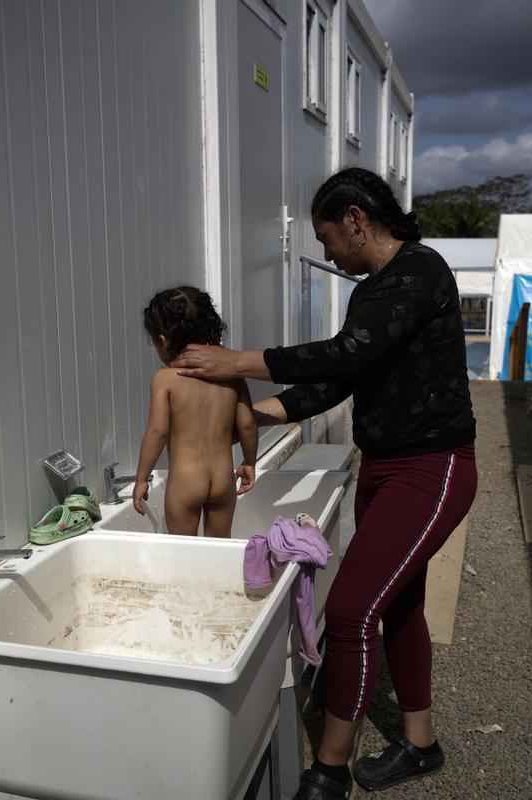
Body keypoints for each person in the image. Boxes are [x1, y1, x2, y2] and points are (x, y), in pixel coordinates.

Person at [171, 168, 478, 799]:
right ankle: (420, 742)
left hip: (433, 467)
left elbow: (342, 355)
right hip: (385, 467)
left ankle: (329, 771)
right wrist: (247, 416)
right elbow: (337, 381)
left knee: (350, 611)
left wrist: (239, 361)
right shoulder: (370, 294)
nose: (328, 251)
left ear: (358, 219)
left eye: (328, 236)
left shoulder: (421, 272)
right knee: (400, 605)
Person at [133, 286, 258, 537]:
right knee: (219, 550)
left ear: (163, 340)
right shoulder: (231, 375)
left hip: (185, 484)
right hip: (223, 480)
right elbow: (247, 424)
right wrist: (249, 462)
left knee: (184, 560)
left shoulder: (165, 379)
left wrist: (142, 478)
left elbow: (157, 432)